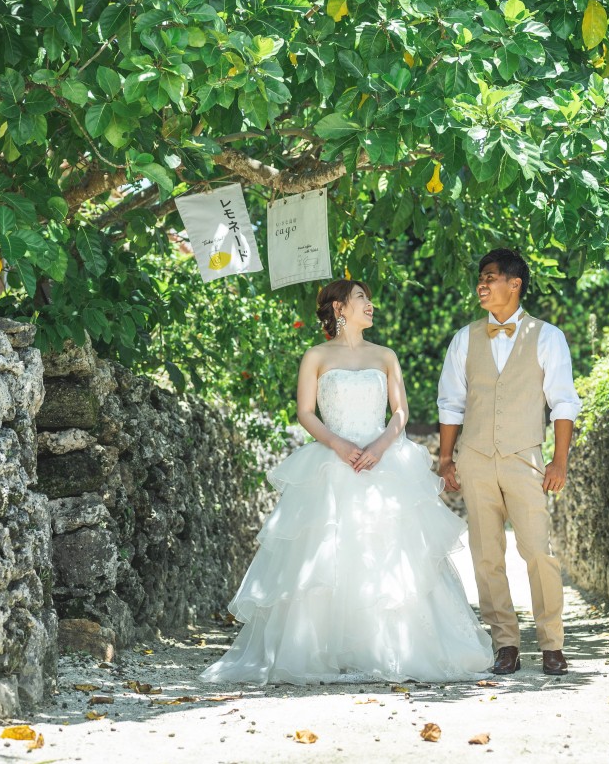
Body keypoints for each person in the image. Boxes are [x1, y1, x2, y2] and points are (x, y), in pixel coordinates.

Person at [202, 278, 493, 684]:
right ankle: (324, 650)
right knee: (327, 557)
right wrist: (338, 445)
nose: (370, 304)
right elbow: (306, 412)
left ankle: (390, 648)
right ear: (339, 308)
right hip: (332, 461)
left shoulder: (385, 355)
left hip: (383, 461)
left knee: (390, 554)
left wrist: (381, 446)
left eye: (369, 298)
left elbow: (400, 413)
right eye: (361, 298)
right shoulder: (316, 356)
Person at [436, 248, 581, 676]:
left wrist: (559, 462)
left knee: (538, 552)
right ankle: (506, 644)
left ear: (514, 284)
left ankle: (552, 643)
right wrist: (446, 458)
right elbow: (451, 403)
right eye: (480, 279)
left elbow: (563, 402)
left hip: (524, 458)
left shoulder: (547, 336)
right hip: (476, 459)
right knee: (486, 555)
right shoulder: (464, 338)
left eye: (490, 277)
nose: (481, 285)